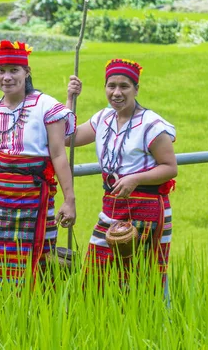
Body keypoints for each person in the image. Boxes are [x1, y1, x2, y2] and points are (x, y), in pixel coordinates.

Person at [0, 40, 77, 287]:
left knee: (37, 259)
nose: (7, 77)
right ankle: (1, 312)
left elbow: (58, 155)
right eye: (1, 71)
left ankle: (35, 315)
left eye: (14, 70)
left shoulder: (46, 106)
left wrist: (69, 199)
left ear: (27, 71)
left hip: (34, 197)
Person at [66, 59, 177, 290]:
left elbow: (169, 167)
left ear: (136, 89)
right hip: (112, 206)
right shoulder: (103, 118)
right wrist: (70, 99)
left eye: (124, 86)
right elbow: (68, 138)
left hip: (146, 209)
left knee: (140, 279)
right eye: (111, 86)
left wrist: (135, 178)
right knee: (95, 276)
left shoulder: (151, 125)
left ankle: (145, 323)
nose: (117, 92)